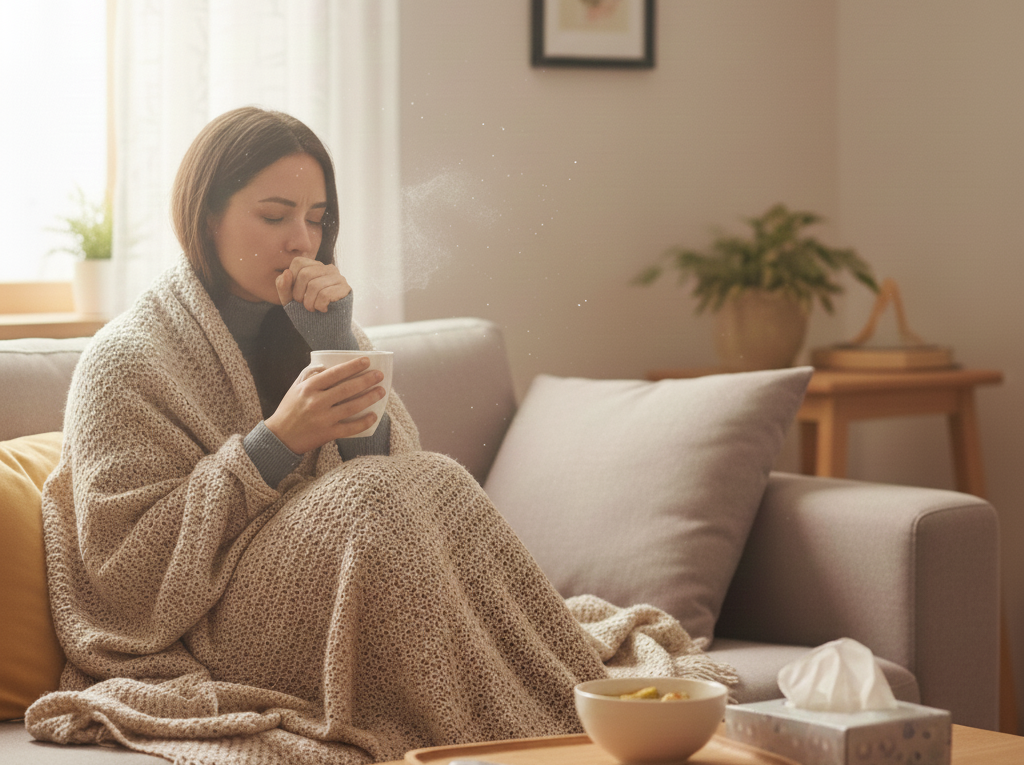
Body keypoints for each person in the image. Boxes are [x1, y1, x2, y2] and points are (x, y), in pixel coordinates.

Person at [26, 108, 732, 765]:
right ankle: (537, 737)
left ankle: (560, 709)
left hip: (346, 589)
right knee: (369, 499)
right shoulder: (125, 360)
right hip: (211, 626)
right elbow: (123, 573)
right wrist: (274, 444)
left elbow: (404, 486)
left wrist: (335, 345)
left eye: (315, 217)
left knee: (442, 479)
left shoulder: (322, 327)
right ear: (204, 217)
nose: (300, 240)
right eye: (274, 215)